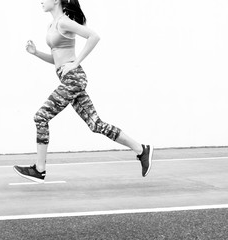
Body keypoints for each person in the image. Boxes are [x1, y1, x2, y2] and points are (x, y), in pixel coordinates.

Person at [14, 0, 153, 183]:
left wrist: (76, 62)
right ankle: (142, 150)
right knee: (96, 124)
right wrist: (36, 53)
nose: (40, 1)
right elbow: (57, 59)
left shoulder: (64, 22)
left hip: (74, 79)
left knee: (41, 116)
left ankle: (39, 170)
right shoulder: (52, 24)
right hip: (69, 80)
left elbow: (94, 36)